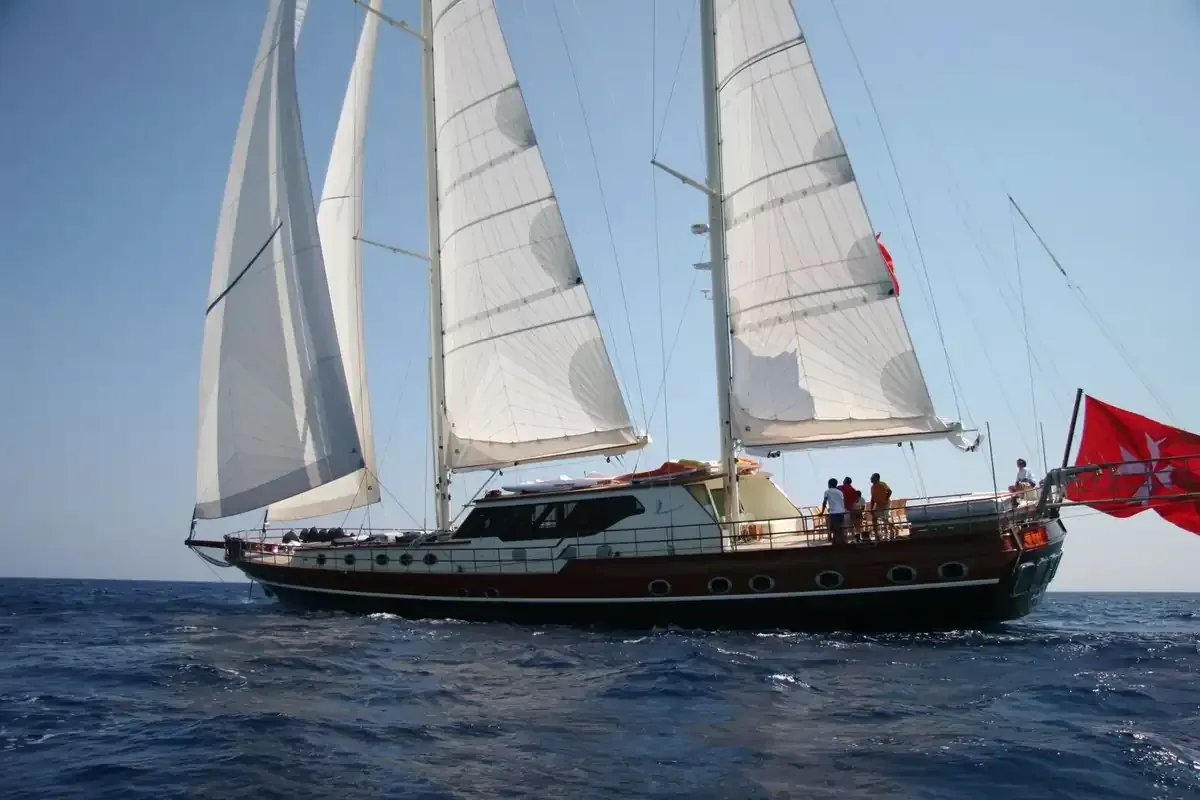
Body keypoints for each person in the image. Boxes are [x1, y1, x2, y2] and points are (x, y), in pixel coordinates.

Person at [821, 477, 846, 543]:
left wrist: (822, 512)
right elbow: (842, 502)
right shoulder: (840, 492)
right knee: (840, 529)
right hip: (841, 512)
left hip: (834, 513)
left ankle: (839, 544)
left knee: (835, 530)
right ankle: (837, 543)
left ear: (829, 484)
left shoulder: (827, 492)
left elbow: (824, 502)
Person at [869, 473, 893, 539]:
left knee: (885, 518)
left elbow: (890, 491)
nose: (870, 478)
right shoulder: (872, 487)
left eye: (872, 477)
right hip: (878, 504)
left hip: (885, 503)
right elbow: (872, 498)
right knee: (874, 518)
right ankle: (877, 534)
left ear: (876, 478)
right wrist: (871, 508)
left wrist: (886, 498)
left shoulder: (882, 484)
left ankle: (892, 531)